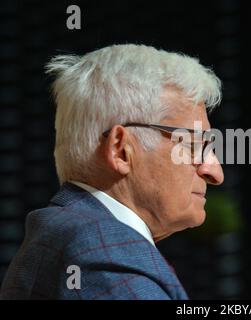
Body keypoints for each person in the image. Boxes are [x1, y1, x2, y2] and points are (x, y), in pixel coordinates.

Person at [0, 44, 224, 299]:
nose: (215, 172)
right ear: (121, 150)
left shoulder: (76, 239)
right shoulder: (102, 256)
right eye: (194, 144)